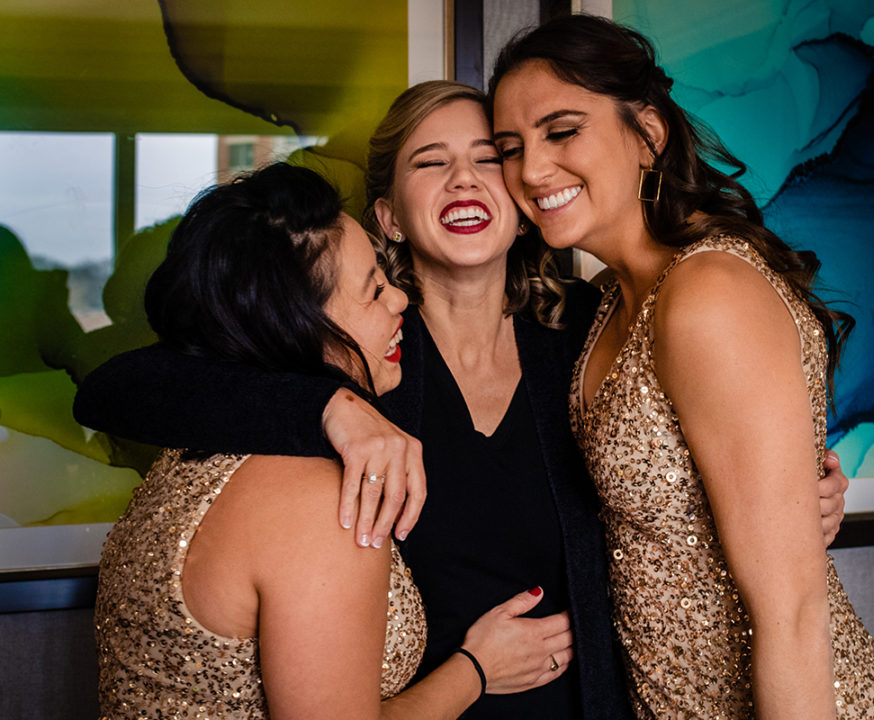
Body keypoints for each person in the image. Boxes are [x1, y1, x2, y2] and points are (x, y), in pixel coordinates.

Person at [75, 83, 850, 718]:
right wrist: (325, 410)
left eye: (490, 159)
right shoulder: (357, 355)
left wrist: (786, 498)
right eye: (430, 162)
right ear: (387, 216)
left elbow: (709, 445)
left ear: (522, 203)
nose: (465, 180)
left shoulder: (592, 331)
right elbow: (122, 388)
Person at [484, 14, 874, 720]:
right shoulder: (607, 305)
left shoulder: (706, 294)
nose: (530, 169)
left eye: (562, 131)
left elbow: (793, 611)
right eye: (510, 147)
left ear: (648, 134)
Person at [92, 162, 573, 719]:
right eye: (373, 291)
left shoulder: (190, 454)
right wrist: (477, 669)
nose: (399, 302)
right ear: (299, 327)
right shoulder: (320, 503)